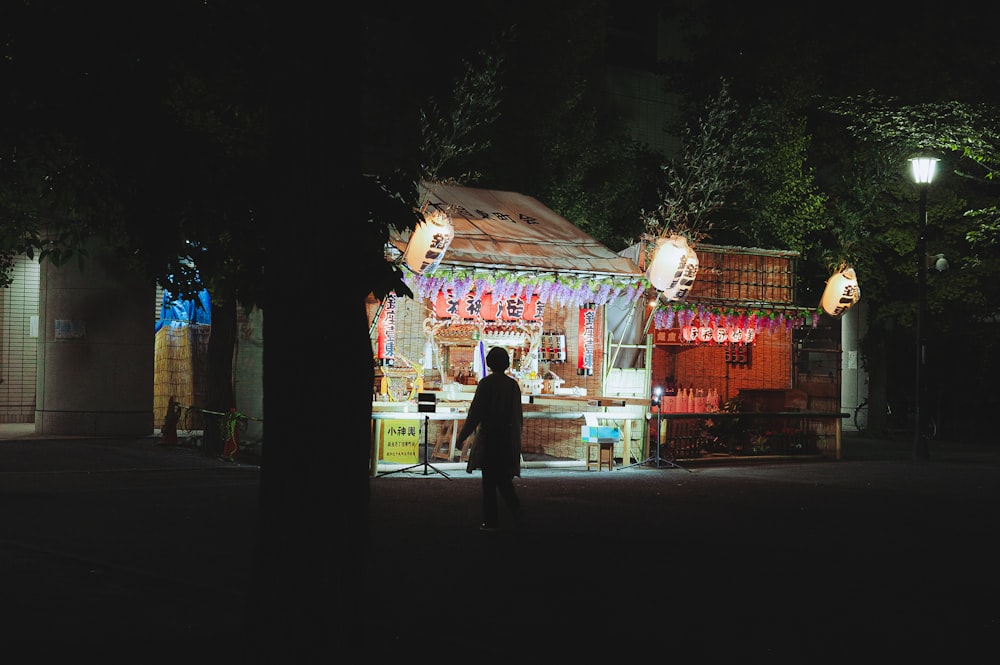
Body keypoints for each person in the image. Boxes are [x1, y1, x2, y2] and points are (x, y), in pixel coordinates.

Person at [456, 346, 524, 531]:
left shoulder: (486, 384)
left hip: (490, 437)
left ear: (489, 363)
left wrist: (463, 435)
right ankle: (515, 511)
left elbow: (475, 413)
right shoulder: (513, 386)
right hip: (506, 437)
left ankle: (492, 520)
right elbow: (517, 416)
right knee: (503, 478)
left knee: (489, 481)